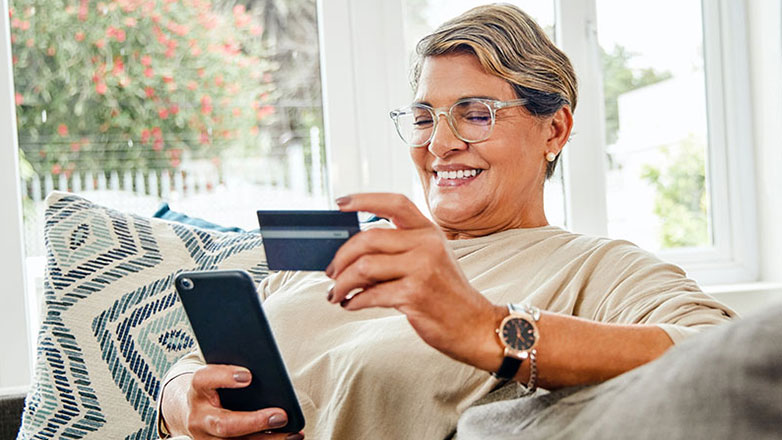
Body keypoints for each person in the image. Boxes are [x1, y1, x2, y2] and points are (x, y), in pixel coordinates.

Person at [156, 4, 735, 439]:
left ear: (554, 131)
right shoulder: (350, 250)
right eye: (424, 117)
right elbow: (207, 360)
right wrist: (177, 398)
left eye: (476, 114)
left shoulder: (599, 268)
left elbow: (725, 360)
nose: (440, 143)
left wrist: (485, 328)